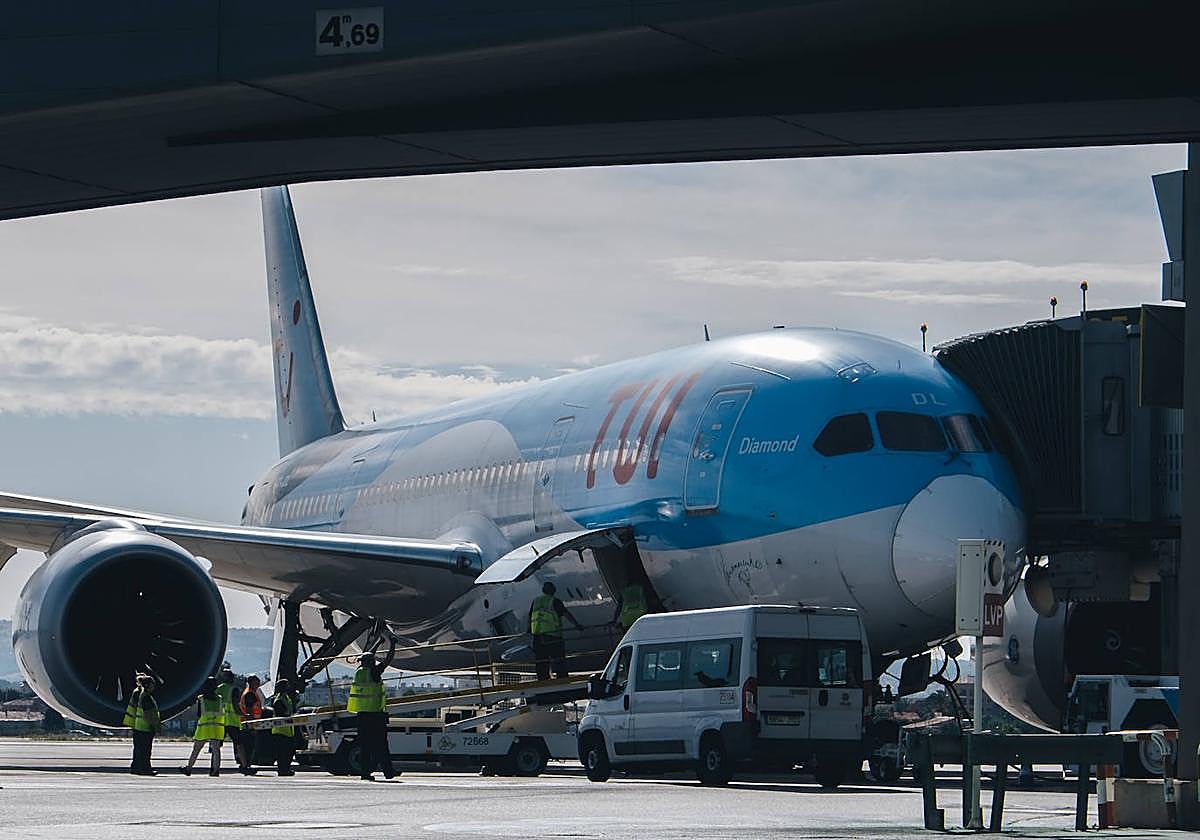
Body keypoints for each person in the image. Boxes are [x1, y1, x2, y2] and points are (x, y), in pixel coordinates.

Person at [348, 639, 398, 781]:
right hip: (375, 716)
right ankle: (388, 771)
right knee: (381, 745)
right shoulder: (375, 673)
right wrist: (392, 644)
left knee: (365, 746)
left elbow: (370, 656)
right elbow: (388, 660)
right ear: (372, 662)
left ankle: (365, 773)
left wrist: (378, 642)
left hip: (362, 716)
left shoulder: (359, 672)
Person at [529, 581, 582, 680]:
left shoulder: (536, 601)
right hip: (553, 636)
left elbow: (530, 617)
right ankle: (562, 678)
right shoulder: (554, 601)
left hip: (538, 636)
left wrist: (529, 630)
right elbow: (566, 614)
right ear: (553, 590)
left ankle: (542, 680)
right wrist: (577, 625)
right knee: (558, 660)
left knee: (541, 661)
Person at [181, 677, 225, 777]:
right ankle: (216, 770)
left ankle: (189, 768)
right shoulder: (219, 699)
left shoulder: (201, 698)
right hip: (217, 728)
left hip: (204, 728)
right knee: (216, 750)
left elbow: (199, 714)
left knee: (196, 749)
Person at [122, 673, 160, 775]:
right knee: (145, 750)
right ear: (148, 686)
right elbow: (147, 714)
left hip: (138, 727)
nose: (154, 686)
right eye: (152, 684)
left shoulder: (140, 694)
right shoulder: (146, 697)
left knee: (138, 750)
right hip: (145, 728)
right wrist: (153, 726)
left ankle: (136, 768)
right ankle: (145, 769)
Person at [216, 668, 245, 772]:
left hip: (220, 721)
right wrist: (243, 715)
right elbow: (235, 705)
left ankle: (215, 767)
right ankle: (244, 765)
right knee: (239, 743)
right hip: (231, 721)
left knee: (217, 745)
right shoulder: (234, 689)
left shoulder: (218, 689)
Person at [237, 674, 265, 774]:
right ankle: (246, 766)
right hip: (250, 725)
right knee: (249, 746)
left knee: (248, 746)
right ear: (251, 683)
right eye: (256, 682)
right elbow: (249, 710)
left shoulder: (250, 692)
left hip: (248, 724)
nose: (258, 684)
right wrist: (252, 724)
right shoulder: (250, 694)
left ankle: (245, 765)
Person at [269, 678, 297, 776]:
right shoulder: (279, 700)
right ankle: (283, 770)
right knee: (282, 753)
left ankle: (286, 769)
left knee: (289, 751)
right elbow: (280, 714)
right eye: (287, 685)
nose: (289, 687)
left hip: (288, 731)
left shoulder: (286, 698)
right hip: (280, 731)